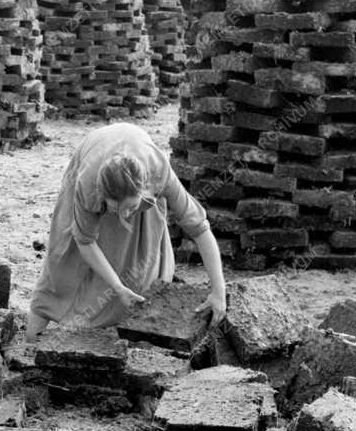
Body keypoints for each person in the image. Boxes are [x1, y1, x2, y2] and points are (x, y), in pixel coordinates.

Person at [26, 122, 227, 341]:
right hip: (93, 156)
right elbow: (85, 242)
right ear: (103, 196)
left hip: (139, 167)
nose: (124, 216)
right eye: (116, 209)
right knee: (64, 269)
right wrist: (116, 286)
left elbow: (200, 229)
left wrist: (219, 290)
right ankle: (30, 342)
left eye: (130, 208)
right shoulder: (88, 184)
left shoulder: (159, 173)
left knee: (139, 272)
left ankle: (132, 331)